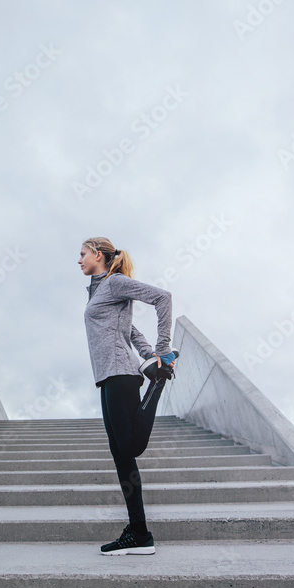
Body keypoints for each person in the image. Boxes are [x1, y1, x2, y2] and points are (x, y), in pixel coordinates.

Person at [79, 237, 178, 556]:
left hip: (121, 373)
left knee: (131, 445)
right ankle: (138, 531)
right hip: (108, 376)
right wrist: (149, 353)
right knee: (122, 457)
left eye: (82, 254)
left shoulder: (114, 282)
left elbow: (163, 298)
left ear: (97, 254)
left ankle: (159, 383)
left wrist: (161, 351)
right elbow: (128, 330)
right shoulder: (97, 290)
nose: (79, 260)